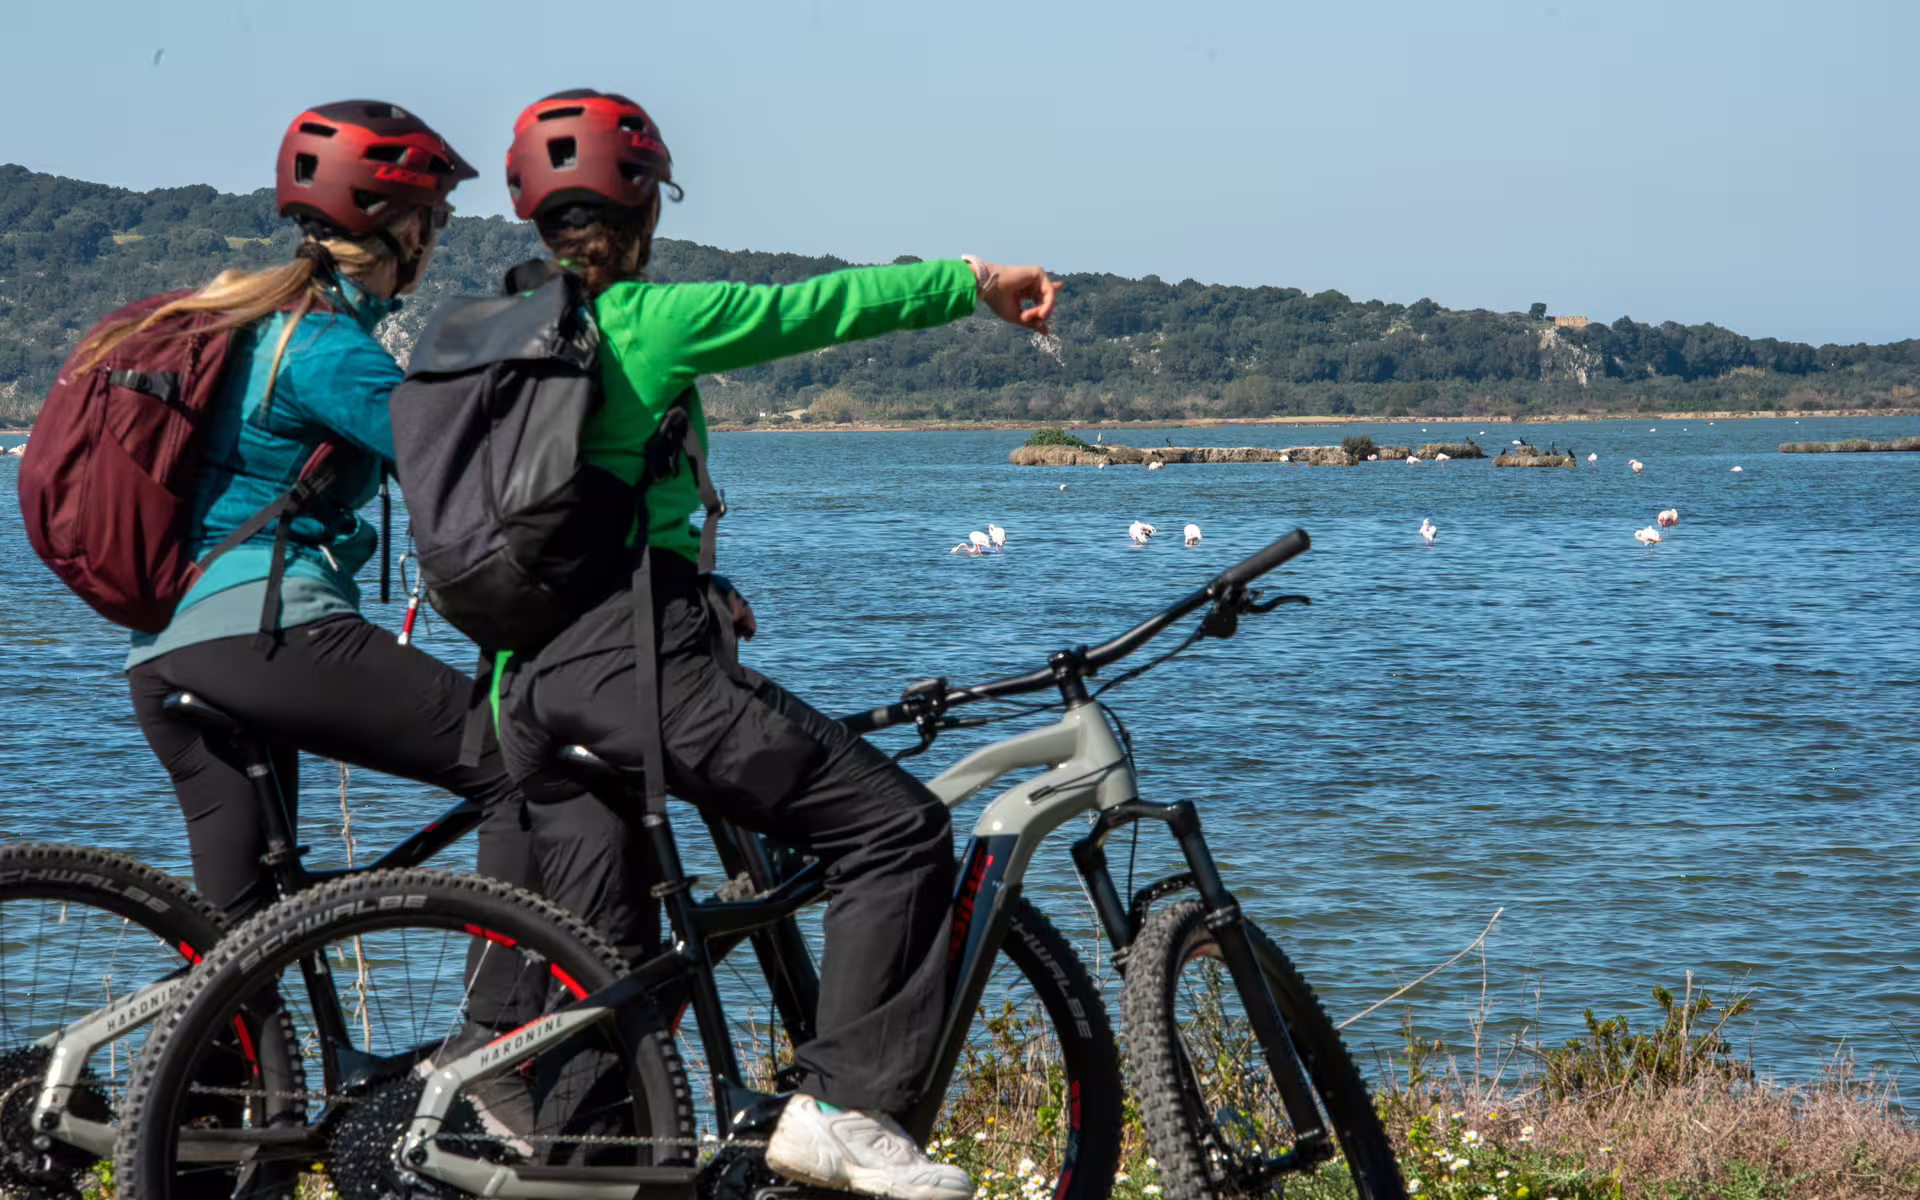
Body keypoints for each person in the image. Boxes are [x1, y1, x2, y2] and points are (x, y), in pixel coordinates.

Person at [491, 89, 1061, 1200]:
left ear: (538, 221)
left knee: (613, 977)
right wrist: (972, 282)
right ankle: (844, 1108)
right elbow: (816, 309)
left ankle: (585, 1172)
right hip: (631, 667)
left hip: (523, 684)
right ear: (645, 205)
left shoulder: (503, 332)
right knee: (894, 831)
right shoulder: (644, 321)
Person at [101, 101, 647, 1083]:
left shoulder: (244, 326)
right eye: (430, 221)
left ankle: (212, 1143)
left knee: (238, 943)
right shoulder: (325, 350)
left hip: (168, 653)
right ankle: (499, 1054)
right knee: (515, 767)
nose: (432, 242)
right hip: (270, 634)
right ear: (400, 227)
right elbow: (464, 486)